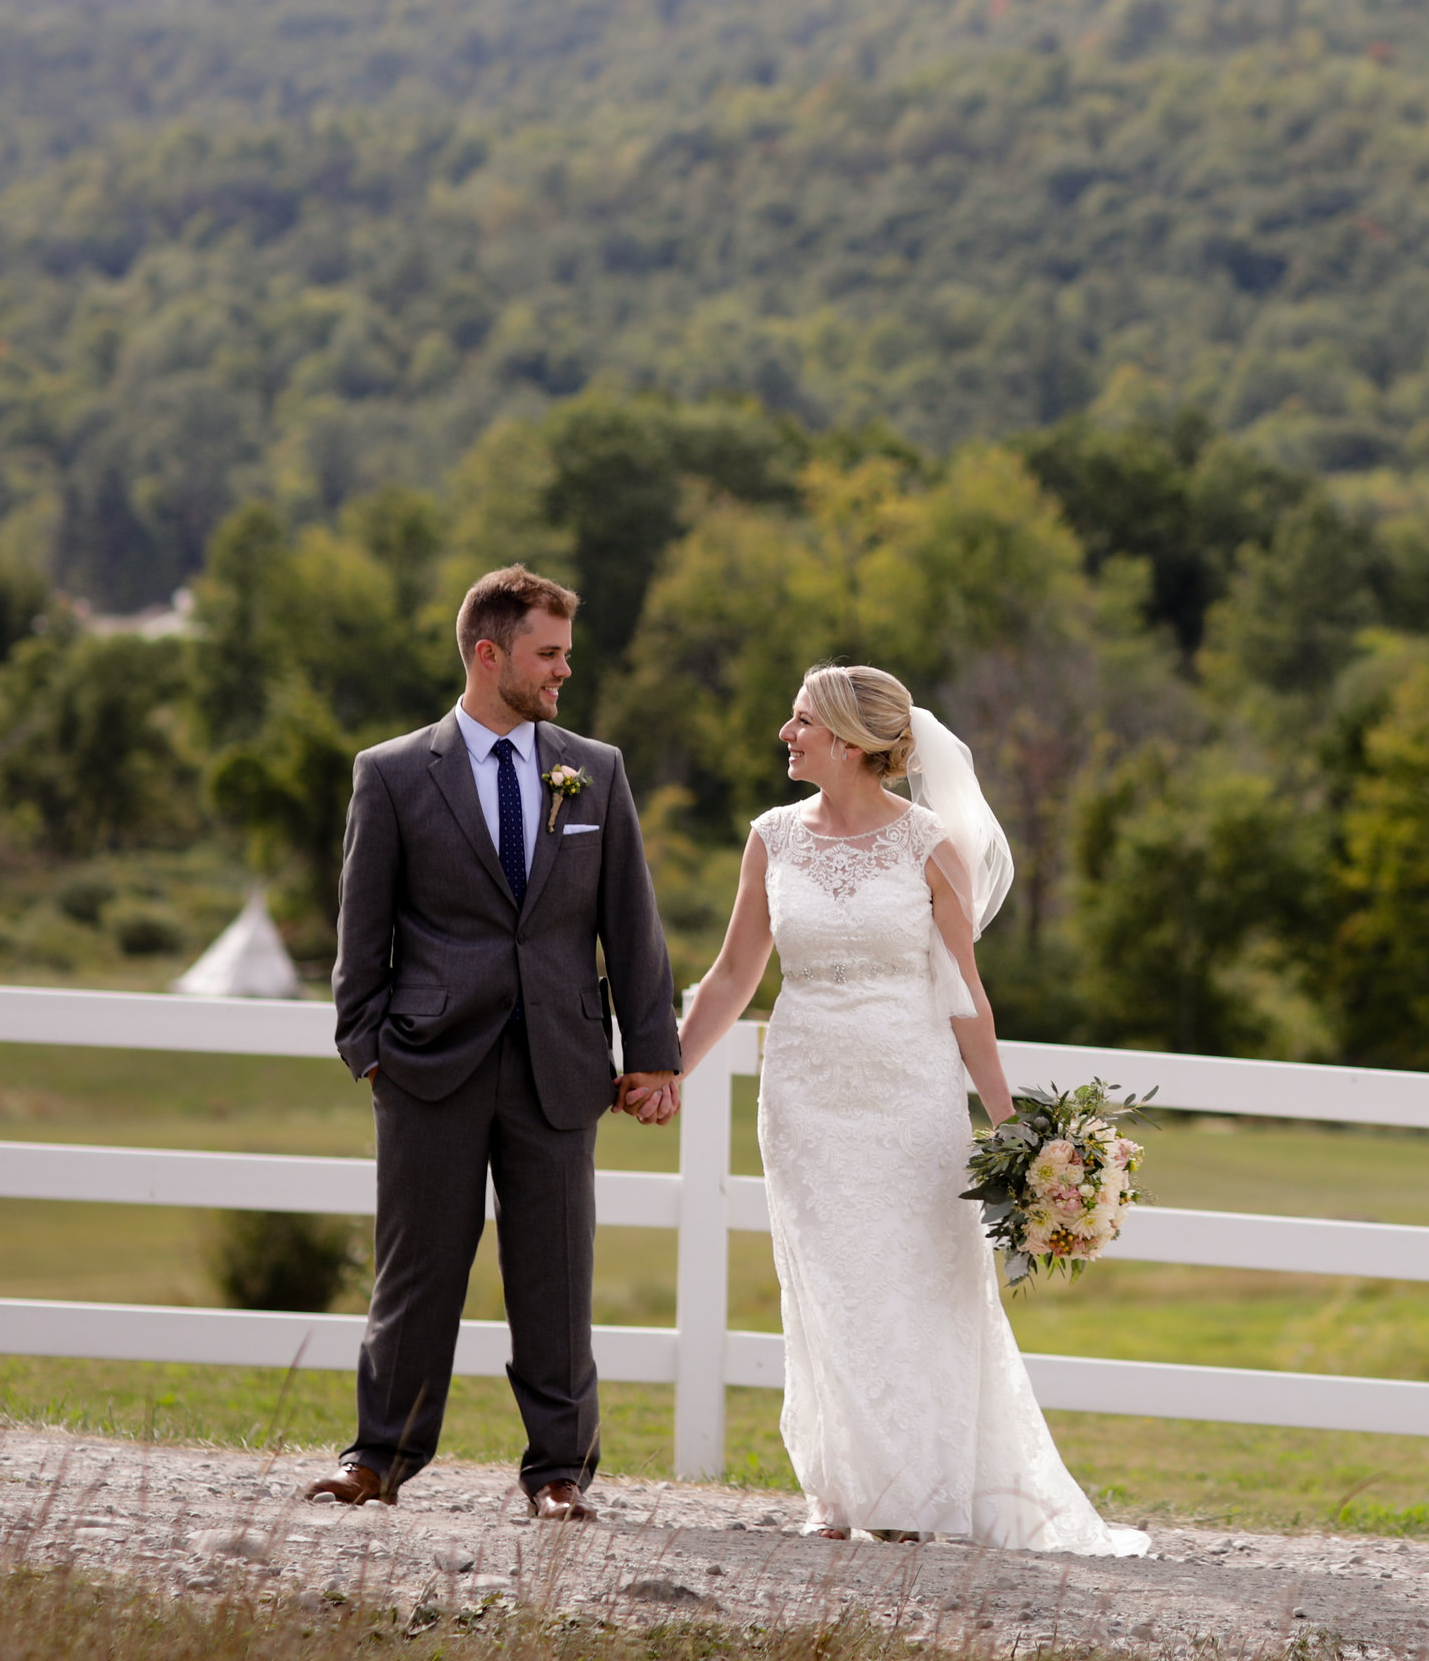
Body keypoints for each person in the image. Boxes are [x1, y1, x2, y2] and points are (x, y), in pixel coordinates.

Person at [672, 662, 1146, 1552]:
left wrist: (1016, 1133)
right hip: (806, 1096)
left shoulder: (929, 844)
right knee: (827, 1284)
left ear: (851, 742)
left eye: (801, 719)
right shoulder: (771, 838)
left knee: (916, 1284)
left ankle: (921, 1493)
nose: (786, 732)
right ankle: (845, 1490)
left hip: (909, 1095)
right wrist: (668, 1070)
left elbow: (966, 996)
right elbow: (736, 975)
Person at [307, 565, 683, 1520]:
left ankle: (559, 1473)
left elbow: (630, 923)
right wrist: (369, 1047)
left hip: (559, 1064)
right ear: (491, 654)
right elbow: (362, 927)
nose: (564, 670)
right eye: (548, 653)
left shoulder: (595, 768)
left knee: (556, 1275)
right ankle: (379, 1459)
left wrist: (653, 1053)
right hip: (428, 1062)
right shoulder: (390, 773)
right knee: (417, 1268)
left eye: (564, 652)